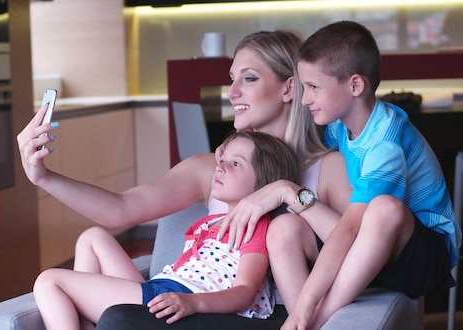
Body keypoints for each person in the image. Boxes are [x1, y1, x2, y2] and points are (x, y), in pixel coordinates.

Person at [18, 29, 351, 329]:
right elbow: (119, 208)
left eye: (248, 79)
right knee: (99, 269)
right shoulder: (210, 168)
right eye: (231, 79)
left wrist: (286, 191)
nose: (232, 92)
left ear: (289, 88)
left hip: (259, 314)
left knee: (116, 317)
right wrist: (43, 178)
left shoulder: (328, 167)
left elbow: (363, 247)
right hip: (185, 299)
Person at [278, 20, 462, 330]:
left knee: (383, 207)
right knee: (285, 226)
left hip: (424, 256)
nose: (305, 98)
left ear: (355, 86)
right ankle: (304, 316)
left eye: (314, 87)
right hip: (377, 248)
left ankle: (317, 318)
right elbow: (304, 152)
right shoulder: (340, 126)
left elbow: (352, 227)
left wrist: (307, 307)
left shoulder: (385, 144)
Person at [32, 131, 300, 329]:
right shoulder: (207, 224)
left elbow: (244, 292)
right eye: (223, 159)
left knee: (49, 281)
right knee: (92, 237)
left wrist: (194, 303)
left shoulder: (255, 227)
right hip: (160, 288)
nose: (219, 166)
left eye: (236, 164)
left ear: (263, 184)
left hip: (177, 297)